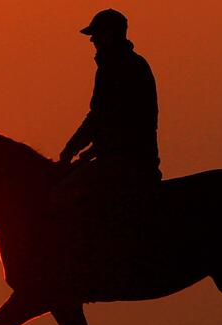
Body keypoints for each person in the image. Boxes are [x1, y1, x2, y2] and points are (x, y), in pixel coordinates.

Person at [58, 8, 162, 198]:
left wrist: (71, 151)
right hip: (120, 158)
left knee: (66, 191)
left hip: (126, 162)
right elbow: (101, 118)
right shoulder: (124, 65)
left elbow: (107, 118)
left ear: (110, 34)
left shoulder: (120, 68)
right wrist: (82, 151)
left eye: (96, 34)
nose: (92, 40)